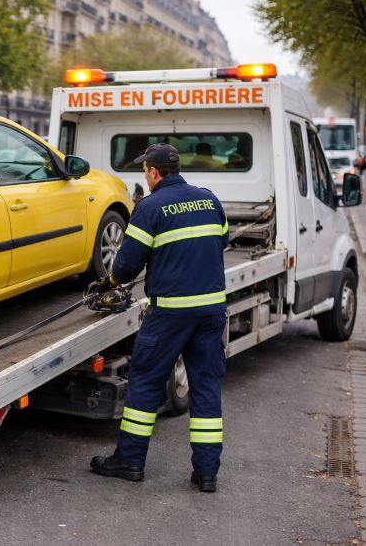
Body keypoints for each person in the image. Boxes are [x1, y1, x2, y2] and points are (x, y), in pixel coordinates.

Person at [90, 143, 229, 493]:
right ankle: (207, 474)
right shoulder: (209, 200)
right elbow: (221, 240)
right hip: (212, 310)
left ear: (153, 173)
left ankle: (130, 461)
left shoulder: (150, 207)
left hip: (170, 313)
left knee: (146, 382)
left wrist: (108, 284)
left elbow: (126, 265)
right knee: (207, 387)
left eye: (144, 171)